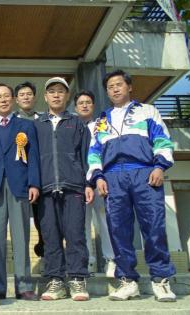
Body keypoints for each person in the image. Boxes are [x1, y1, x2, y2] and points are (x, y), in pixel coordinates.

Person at [87, 69, 177, 302]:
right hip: (113, 178)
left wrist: (160, 166)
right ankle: (128, 281)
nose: (115, 89)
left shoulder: (147, 111)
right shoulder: (101, 120)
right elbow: (94, 152)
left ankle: (160, 280)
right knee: (118, 230)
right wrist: (98, 177)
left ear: (129, 87)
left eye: (119, 84)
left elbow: (162, 140)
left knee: (154, 226)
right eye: (110, 87)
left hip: (145, 173)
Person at [0, 83, 40, 300]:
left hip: (19, 186)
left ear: (12, 99)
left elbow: (33, 158)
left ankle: (24, 286)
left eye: (6, 96)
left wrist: (34, 184)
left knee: (21, 236)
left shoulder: (26, 125)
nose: (3, 100)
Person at [34, 77, 92, 301]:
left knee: (76, 235)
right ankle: (55, 281)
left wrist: (88, 183)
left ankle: (77, 279)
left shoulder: (77, 123)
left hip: (74, 187)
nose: (56, 95)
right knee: (50, 236)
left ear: (67, 96)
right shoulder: (37, 125)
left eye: (61, 91)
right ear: (46, 97)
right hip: (46, 189)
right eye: (52, 91)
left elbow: (86, 155)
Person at [74, 90, 116, 277]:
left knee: (104, 220)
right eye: (81, 103)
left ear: (93, 105)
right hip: (79, 182)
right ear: (75, 107)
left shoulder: (102, 125)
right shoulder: (72, 126)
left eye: (88, 102)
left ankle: (111, 260)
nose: (84, 105)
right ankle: (88, 262)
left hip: (100, 180)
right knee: (82, 223)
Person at [14, 81, 45, 261]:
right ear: (17, 100)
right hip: (19, 177)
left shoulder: (42, 120)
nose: (26, 97)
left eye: (29, 94)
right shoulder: (11, 122)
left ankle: (44, 252)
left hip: (42, 176)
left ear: (34, 98)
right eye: (22, 95)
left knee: (42, 219)